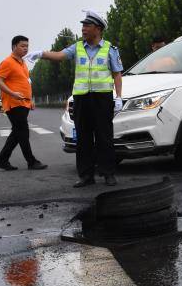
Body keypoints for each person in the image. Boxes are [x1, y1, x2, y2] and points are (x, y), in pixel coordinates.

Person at [26, 11, 123, 187]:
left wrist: (119, 97)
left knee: (104, 137)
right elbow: (59, 56)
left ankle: (108, 173)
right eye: (83, 26)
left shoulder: (110, 49)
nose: (83, 29)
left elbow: (117, 73)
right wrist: (42, 54)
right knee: (83, 138)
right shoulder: (77, 47)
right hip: (81, 99)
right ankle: (86, 176)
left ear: (98, 29)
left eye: (87, 26)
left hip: (103, 99)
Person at [0, 35, 48, 171]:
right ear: (14, 47)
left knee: (17, 133)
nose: (26, 48)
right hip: (13, 103)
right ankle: (31, 161)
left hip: (24, 103)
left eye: (27, 46)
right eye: (22, 46)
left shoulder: (23, 63)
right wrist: (12, 93)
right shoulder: (7, 62)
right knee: (23, 132)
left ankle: (2, 160)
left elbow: (27, 82)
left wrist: (31, 99)